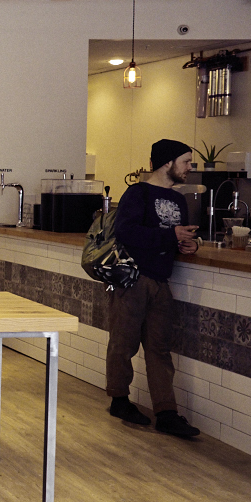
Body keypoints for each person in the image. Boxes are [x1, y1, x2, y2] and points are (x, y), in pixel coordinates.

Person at [103, 139, 200, 439]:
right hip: (133, 279)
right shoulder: (138, 193)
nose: (190, 167)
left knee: (159, 349)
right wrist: (171, 235)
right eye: (186, 161)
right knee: (123, 343)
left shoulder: (180, 200)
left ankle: (166, 413)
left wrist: (189, 245)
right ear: (167, 162)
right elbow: (126, 232)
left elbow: (176, 237)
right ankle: (119, 400)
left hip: (161, 281)